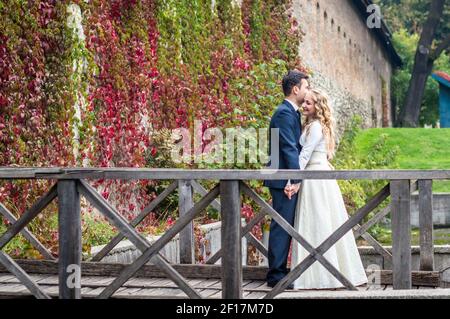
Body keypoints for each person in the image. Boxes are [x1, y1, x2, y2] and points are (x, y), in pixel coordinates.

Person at [288, 89, 368, 289]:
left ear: (318, 107)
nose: (304, 106)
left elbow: (304, 156)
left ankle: (325, 276)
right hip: (317, 176)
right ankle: (314, 274)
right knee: (320, 222)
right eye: (304, 102)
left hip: (316, 180)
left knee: (320, 221)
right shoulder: (313, 125)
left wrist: (293, 181)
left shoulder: (315, 127)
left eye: (309, 103)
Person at [263, 70, 310, 289]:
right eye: (306, 87)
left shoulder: (291, 113)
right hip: (283, 179)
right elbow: (289, 148)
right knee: (282, 226)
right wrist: (296, 178)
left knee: (285, 225)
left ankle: (280, 271)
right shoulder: (283, 113)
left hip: (285, 177)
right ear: (296, 89)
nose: (308, 91)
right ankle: (276, 276)